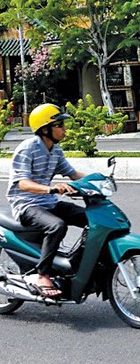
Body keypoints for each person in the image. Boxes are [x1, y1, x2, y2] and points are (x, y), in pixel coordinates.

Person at [6, 104, 87, 297]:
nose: (64, 129)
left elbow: (73, 174)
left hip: (48, 202)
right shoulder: (28, 148)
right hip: (26, 204)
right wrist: (51, 188)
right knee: (57, 226)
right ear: (45, 129)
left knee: (91, 217)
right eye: (59, 125)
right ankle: (42, 274)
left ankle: (77, 264)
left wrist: (99, 181)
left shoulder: (56, 151)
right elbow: (23, 184)